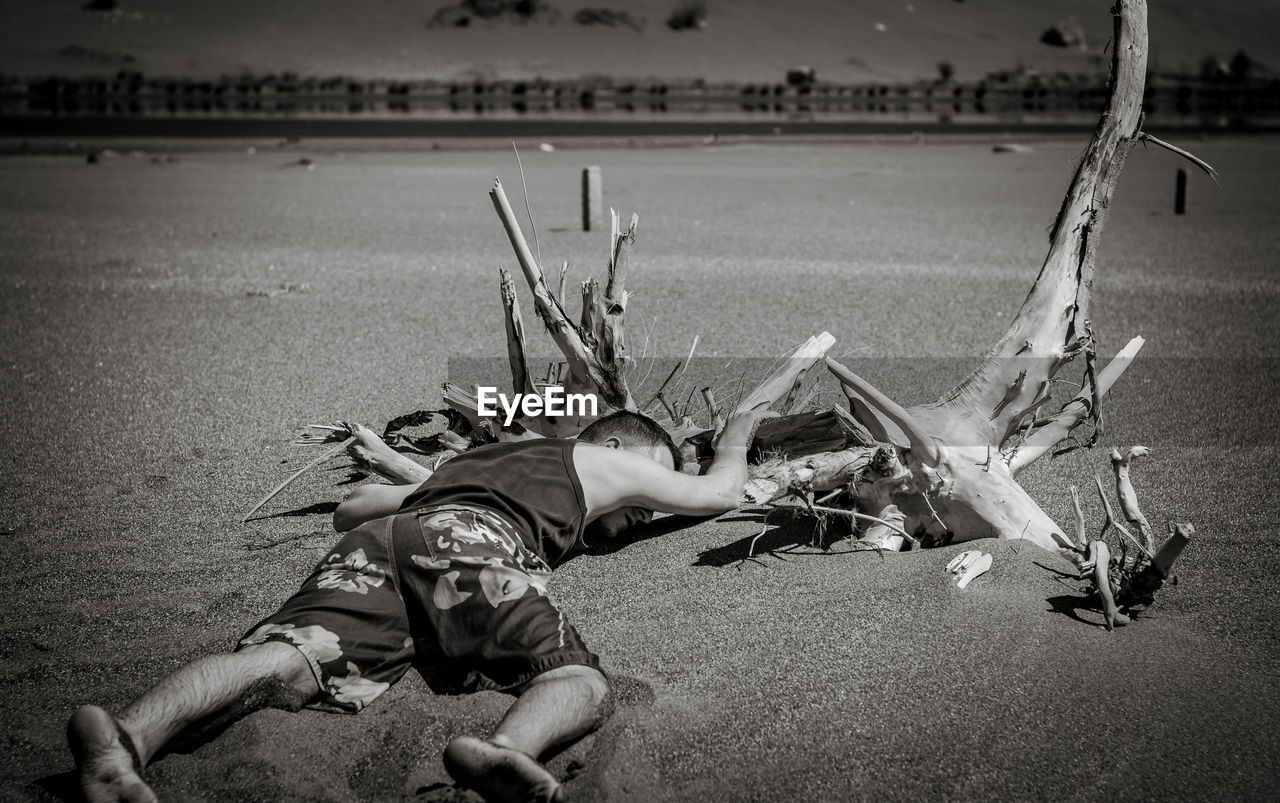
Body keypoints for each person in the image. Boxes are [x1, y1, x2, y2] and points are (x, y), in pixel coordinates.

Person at [67, 406, 774, 803]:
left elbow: (353, 508)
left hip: (383, 537)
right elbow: (720, 493)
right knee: (574, 676)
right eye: (653, 478)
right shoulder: (602, 457)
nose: (644, 503)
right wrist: (737, 434)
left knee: (279, 660)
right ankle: (503, 752)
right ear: (616, 444)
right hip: (474, 540)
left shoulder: (472, 464)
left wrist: (429, 487)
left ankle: (125, 740)